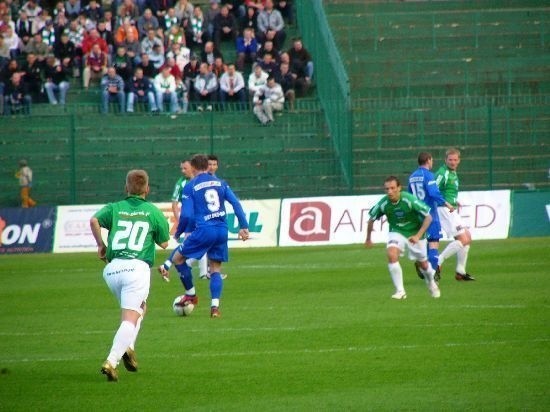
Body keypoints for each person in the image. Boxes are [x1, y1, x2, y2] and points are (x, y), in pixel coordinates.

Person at [90, 169, 170, 382]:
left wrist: (101, 245)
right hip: (137, 269)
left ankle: (129, 347)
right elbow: (164, 243)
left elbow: (94, 221)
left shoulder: (114, 208)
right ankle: (111, 360)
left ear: (126, 188)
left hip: (113, 270)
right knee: (129, 319)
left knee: (140, 309)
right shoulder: (153, 212)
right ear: (148, 189)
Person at [161, 153, 249, 318]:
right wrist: (243, 226)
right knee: (215, 268)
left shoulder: (190, 186)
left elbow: (186, 215)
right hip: (222, 230)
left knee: (178, 259)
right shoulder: (221, 183)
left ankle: (191, 294)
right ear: (207, 167)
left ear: (193, 168)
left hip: (203, 230)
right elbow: (235, 203)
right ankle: (215, 307)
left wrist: (179, 231)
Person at [365, 176, 440, 299]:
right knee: (391, 254)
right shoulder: (384, 203)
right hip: (397, 232)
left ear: (399, 188)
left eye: (392, 188)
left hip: (415, 233)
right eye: (387, 189)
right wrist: (368, 238)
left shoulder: (409, 199)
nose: (389, 191)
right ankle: (400, 291)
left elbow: (429, 217)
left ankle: (431, 282)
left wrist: (418, 235)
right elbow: (371, 219)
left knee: (424, 265)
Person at [159, 159, 210, 281]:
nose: (183, 171)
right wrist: (180, 221)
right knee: (191, 246)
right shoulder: (181, 183)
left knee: (197, 245)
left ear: (192, 167)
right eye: (181, 168)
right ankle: (170, 264)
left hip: (200, 219)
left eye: (185, 168)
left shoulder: (202, 180)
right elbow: (174, 204)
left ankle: (202, 272)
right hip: (192, 220)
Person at [408, 152, 454, 281]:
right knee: (433, 244)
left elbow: (409, 196)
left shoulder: (412, 177)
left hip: (418, 217)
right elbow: (434, 193)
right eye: (432, 160)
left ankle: (422, 264)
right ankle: (432, 276)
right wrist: (446, 204)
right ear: (428, 160)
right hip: (430, 215)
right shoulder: (429, 176)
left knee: (424, 245)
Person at [435, 148, 476, 281]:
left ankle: (460, 271)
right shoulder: (443, 173)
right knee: (463, 239)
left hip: (450, 208)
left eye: (455, 160)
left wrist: (454, 201)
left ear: (459, 160)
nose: (452, 162)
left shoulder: (453, 173)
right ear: (445, 160)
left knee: (467, 237)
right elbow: (433, 191)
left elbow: (446, 190)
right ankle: (438, 261)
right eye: (450, 160)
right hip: (443, 210)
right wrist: (446, 203)